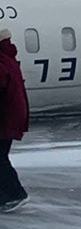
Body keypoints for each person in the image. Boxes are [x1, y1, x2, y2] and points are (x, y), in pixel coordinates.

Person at [0, 28, 30, 212]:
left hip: (5, 119)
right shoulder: (7, 58)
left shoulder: (1, 62)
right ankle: (8, 195)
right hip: (10, 117)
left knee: (0, 158)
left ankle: (16, 195)